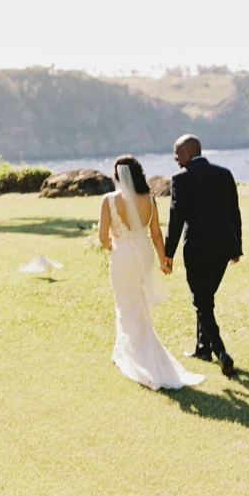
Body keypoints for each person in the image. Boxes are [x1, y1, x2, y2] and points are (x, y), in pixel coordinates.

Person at [99, 155, 204, 390]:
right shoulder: (150, 200)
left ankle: (134, 357)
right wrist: (163, 260)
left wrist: (114, 249)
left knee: (126, 304)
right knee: (137, 301)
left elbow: (103, 236)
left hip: (123, 255)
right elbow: (156, 234)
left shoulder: (109, 200)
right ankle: (130, 351)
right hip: (144, 253)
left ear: (117, 176)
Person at [165, 135, 242, 377]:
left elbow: (176, 219)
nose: (175, 158)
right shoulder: (224, 174)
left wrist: (168, 253)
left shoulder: (180, 178)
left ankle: (221, 352)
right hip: (222, 249)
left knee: (202, 303)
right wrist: (236, 247)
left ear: (189, 151)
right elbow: (234, 213)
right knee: (206, 299)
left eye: (177, 153)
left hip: (197, 250)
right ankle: (202, 348)